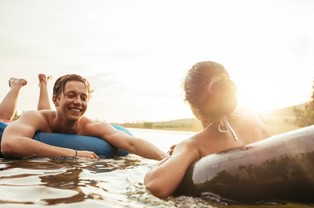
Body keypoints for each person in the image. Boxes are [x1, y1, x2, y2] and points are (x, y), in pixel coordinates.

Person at [144, 61, 271, 198]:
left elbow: (155, 186)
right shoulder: (250, 114)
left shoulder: (193, 145)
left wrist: (173, 156)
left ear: (192, 104)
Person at [1, 74, 165, 160]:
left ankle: (43, 83)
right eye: (71, 95)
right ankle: (17, 85)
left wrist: (165, 158)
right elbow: (9, 144)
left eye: (83, 97)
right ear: (56, 100)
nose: (78, 102)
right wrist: (73, 154)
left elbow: (131, 143)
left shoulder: (92, 126)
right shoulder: (34, 117)